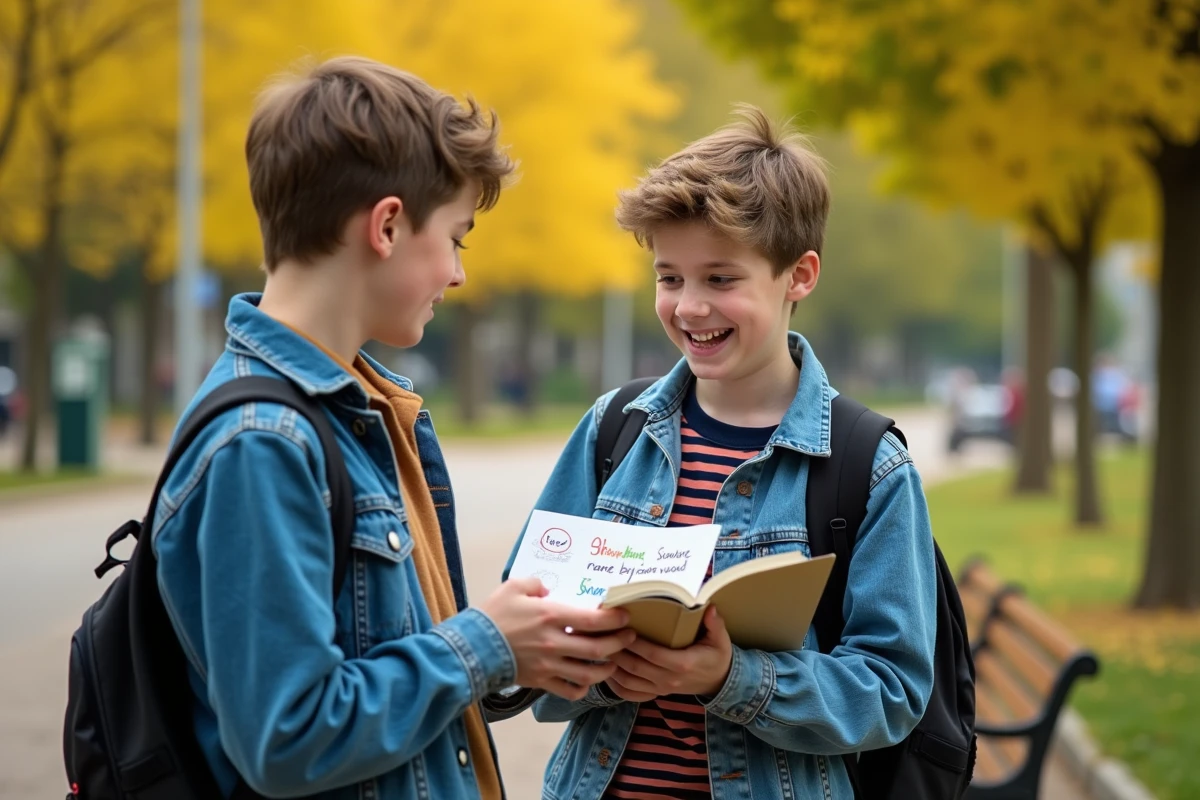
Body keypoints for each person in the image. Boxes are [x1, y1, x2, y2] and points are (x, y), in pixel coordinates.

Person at [152, 56, 634, 799]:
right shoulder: (264, 442)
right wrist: (485, 642)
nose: (459, 274)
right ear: (386, 226)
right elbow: (287, 737)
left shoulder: (362, 408)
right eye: (456, 238)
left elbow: (392, 663)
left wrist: (519, 651)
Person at [504, 107, 938, 799]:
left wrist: (729, 679)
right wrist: (596, 663)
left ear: (799, 275)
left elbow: (892, 690)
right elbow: (522, 632)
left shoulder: (870, 465)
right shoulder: (614, 429)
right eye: (669, 277)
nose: (689, 307)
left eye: (720, 279)